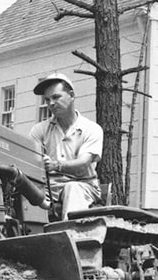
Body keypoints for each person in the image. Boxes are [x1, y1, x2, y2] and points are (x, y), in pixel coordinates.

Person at [28, 73, 103, 216]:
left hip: (83, 185)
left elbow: (83, 163)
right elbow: (31, 162)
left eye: (56, 97)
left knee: (72, 188)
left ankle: (70, 235)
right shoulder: (39, 130)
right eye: (47, 99)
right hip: (48, 188)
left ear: (72, 95)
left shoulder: (91, 129)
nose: (51, 103)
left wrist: (56, 165)